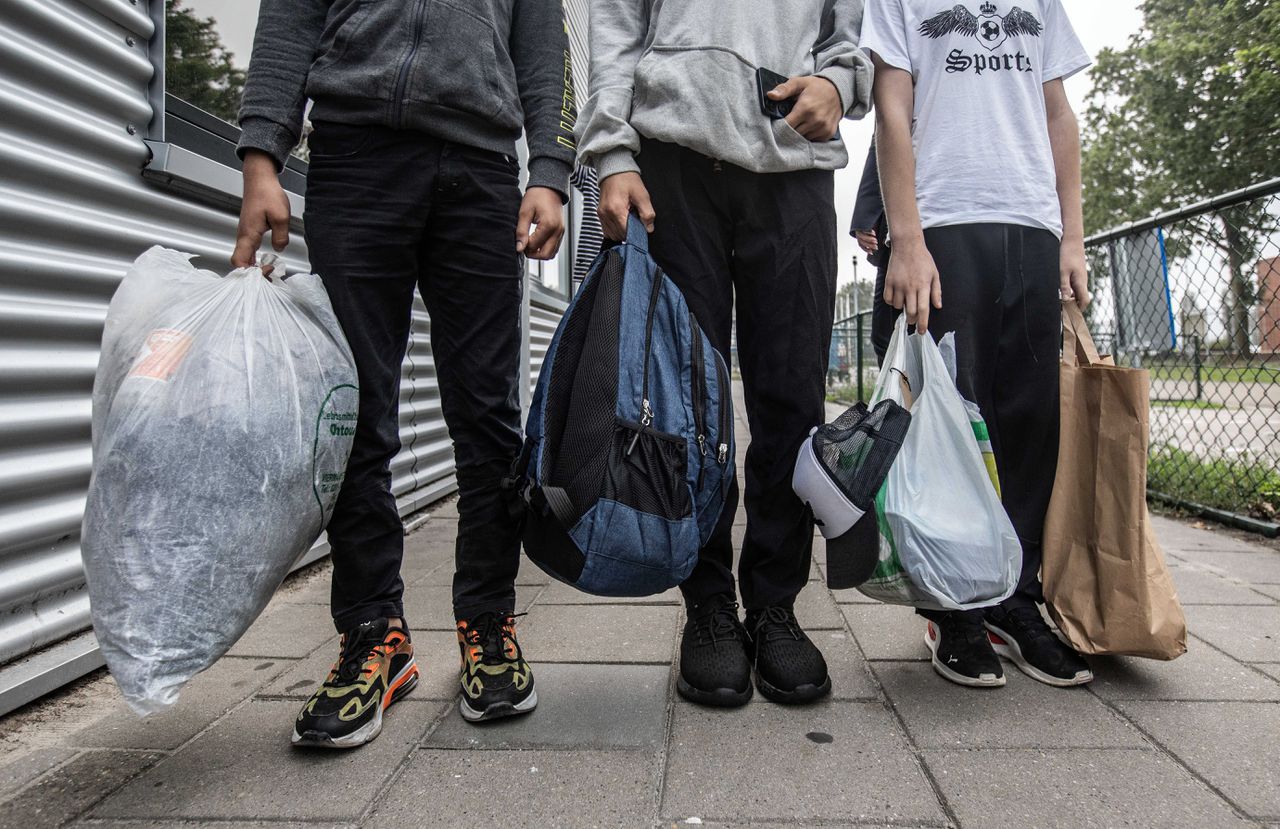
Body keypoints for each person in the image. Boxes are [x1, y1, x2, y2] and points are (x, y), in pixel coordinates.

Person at [232, 0, 576, 746]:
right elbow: (290, 16)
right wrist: (263, 154)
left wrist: (549, 169)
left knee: (488, 418)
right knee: (354, 411)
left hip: (482, 169)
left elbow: (543, 43)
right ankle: (373, 635)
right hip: (356, 158)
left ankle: (487, 624)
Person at [578, 0, 872, 706]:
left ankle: (774, 603)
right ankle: (707, 602)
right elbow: (616, 26)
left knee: (791, 398)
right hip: (675, 158)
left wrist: (838, 83)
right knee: (686, 399)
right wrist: (612, 153)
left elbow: (854, 35)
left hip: (793, 162)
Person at [861, 0, 1095, 687]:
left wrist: (1073, 235)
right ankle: (952, 606)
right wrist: (907, 238)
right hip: (944, 220)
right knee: (951, 428)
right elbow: (891, 106)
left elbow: (1057, 114)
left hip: (1029, 222)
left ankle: (1013, 600)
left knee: (1029, 424)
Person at [849, 141, 896, 363]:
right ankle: (894, 397)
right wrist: (865, 214)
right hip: (894, 238)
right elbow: (882, 136)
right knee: (884, 337)